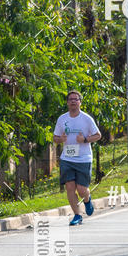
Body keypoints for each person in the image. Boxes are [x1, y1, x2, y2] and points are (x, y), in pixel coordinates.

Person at [53, 90, 101, 225]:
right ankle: (77, 215)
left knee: (81, 189)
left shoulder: (86, 118)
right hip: (67, 158)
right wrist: (60, 139)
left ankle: (87, 199)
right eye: (70, 99)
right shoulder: (62, 119)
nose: (73, 101)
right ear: (67, 103)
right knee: (69, 187)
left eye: (76, 99)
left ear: (80, 102)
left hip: (83, 158)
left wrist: (85, 139)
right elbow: (55, 137)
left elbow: (98, 135)